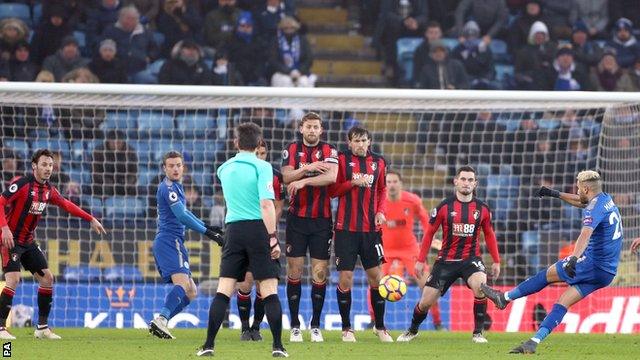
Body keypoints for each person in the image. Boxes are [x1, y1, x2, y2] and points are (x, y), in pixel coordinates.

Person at [481, 170, 623, 354]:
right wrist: (554, 193)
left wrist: (573, 258)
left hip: (592, 263)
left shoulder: (593, 208)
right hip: (607, 272)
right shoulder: (604, 199)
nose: (577, 190)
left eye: (578, 188)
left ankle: (504, 298)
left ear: (586, 188)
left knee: (546, 274)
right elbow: (581, 201)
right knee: (563, 301)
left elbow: (585, 234)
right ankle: (533, 342)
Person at [198, 123, 287, 357]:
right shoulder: (263, 166)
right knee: (269, 289)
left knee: (224, 290)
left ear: (236, 143)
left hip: (234, 230)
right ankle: (278, 347)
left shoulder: (223, 169)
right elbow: (267, 204)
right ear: (259, 144)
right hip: (258, 229)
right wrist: (272, 239)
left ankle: (208, 345)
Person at [0, 149, 107, 340]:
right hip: (11, 240)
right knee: (13, 279)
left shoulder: (49, 190)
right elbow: (0, 202)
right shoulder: (22, 184)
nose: (48, 168)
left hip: (28, 241)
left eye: (50, 165)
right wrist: (5, 229)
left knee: (47, 279)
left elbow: (66, 204)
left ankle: (42, 328)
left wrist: (90, 218)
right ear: (34, 166)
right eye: (44, 164)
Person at [397, 166, 501, 343]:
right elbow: (429, 233)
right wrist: (420, 260)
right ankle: (412, 330)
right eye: (463, 179)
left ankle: (477, 333)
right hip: (446, 261)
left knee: (481, 287)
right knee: (426, 302)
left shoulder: (482, 209)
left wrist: (497, 261)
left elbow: (489, 235)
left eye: (470, 180)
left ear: (475, 183)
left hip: (471, 260)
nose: (466, 183)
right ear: (456, 181)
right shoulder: (444, 207)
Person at [148, 151, 224, 339]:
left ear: (183, 167)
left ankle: (161, 322)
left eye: (178, 165)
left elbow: (186, 213)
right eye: (171, 165)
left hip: (174, 240)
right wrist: (208, 233)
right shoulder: (167, 188)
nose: (175, 168)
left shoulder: (177, 187)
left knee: (191, 291)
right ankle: (162, 320)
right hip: (168, 239)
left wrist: (208, 226)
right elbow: (181, 216)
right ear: (164, 168)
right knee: (182, 283)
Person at [328, 126, 390, 342]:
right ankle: (346, 328)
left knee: (377, 279)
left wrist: (381, 211)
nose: (361, 144)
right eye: (357, 141)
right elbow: (332, 191)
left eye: (364, 140)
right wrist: (352, 182)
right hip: (346, 230)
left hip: (371, 232)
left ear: (369, 142)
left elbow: (382, 190)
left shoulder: (379, 162)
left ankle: (380, 327)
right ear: (349, 142)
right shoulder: (342, 160)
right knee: (345, 278)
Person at [281, 112, 338, 343]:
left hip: (322, 221)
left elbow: (332, 177)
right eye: (309, 127)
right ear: (301, 128)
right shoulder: (291, 149)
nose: (312, 130)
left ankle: (315, 325)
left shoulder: (330, 151)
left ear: (321, 130)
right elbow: (286, 177)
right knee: (293, 272)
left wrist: (303, 179)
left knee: (319, 274)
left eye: (316, 127)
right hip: (296, 220)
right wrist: (309, 168)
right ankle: (295, 325)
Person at [236, 140, 285, 342]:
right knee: (244, 283)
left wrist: (269, 230)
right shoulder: (239, 173)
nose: (260, 157)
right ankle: (245, 328)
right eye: (257, 153)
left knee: (262, 284)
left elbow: (278, 207)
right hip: (243, 233)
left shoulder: (274, 176)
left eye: (263, 153)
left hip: (265, 234)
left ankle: (256, 327)